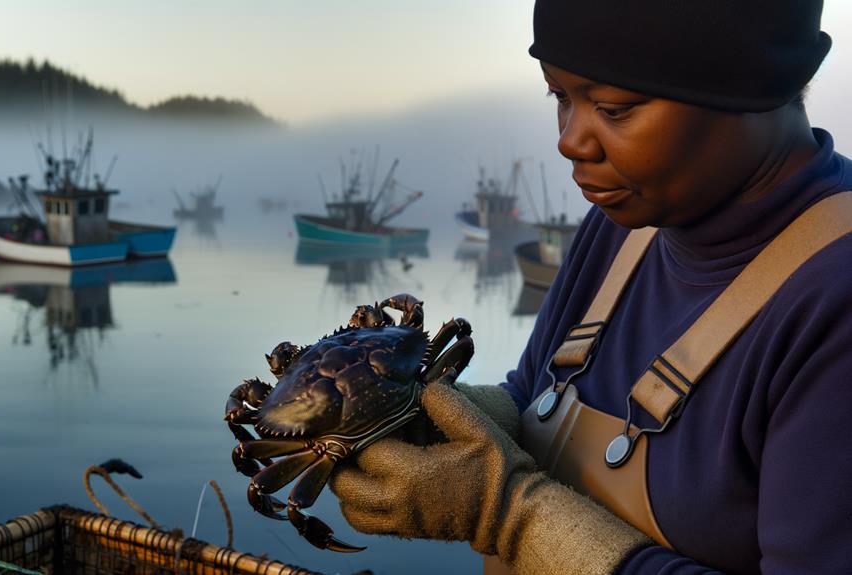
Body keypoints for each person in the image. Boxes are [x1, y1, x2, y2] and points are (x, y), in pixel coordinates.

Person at [329, 1, 852, 573]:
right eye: (560, 97)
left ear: (753, 86)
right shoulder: (625, 222)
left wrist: (508, 513)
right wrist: (405, 413)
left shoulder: (832, 296)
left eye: (613, 108)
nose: (572, 141)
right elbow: (531, 399)